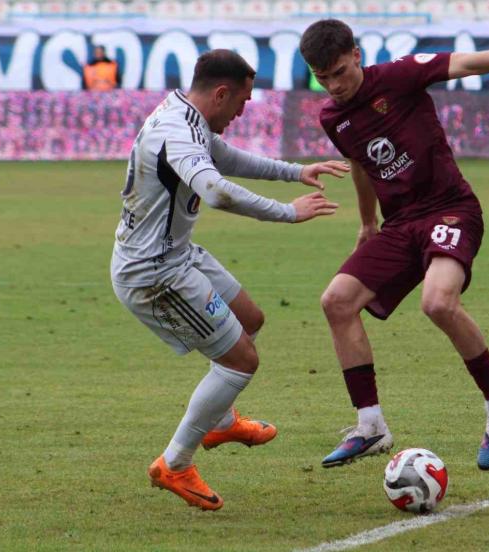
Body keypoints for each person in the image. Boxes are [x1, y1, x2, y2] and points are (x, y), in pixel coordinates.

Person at [299, 19, 489, 470]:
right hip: (400, 225)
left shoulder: (399, 75)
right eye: (323, 78)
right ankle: (370, 425)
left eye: (339, 72)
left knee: (437, 302)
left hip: (450, 209)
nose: (334, 85)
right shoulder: (332, 118)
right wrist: (367, 222)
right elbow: (360, 164)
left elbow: (467, 63)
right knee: (336, 301)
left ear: (356, 55)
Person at [110, 49, 347, 510]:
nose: (242, 111)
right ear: (221, 93)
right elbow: (216, 191)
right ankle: (175, 463)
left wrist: (296, 172)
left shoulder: (186, 114)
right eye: (241, 101)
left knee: (250, 319)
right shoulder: (178, 131)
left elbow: (225, 159)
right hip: (154, 274)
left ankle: (219, 422)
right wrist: (287, 212)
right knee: (241, 361)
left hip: (177, 254)